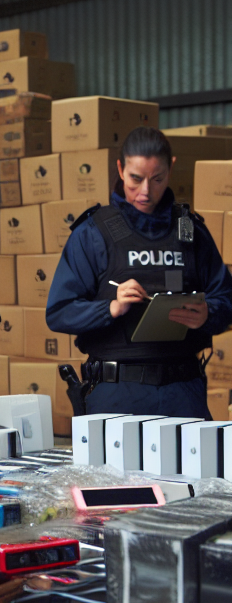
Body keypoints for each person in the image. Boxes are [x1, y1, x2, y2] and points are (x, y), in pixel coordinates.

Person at [46, 126, 232, 417]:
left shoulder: (190, 231)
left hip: (183, 392)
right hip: (117, 394)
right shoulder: (94, 233)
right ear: (120, 169)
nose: (145, 190)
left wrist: (209, 313)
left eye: (157, 179)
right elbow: (58, 312)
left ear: (170, 169)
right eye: (136, 179)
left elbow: (227, 299)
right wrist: (110, 307)